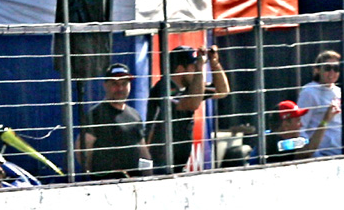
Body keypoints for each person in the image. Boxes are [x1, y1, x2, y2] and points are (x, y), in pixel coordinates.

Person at [146, 45, 230, 174]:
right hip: (159, 165)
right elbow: (191, 103)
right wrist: (199, 68)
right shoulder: (164, 88)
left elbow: (222, 91)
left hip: (178, 165)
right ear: (180, 69)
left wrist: (214, 63)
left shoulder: (191, 88)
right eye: (193, 67)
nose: (199, 71)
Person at [77, 63, 150, 180]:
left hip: (133, 181)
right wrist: (93, 176)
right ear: (105, 85)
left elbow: (143, 149)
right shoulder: (96, 114)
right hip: (106, 182)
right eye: (115, 84)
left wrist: (148, 175)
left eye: (124, 83)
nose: (120, 88)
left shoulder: (135, 115)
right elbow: (82, 149)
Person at [296, 51, 344, 157]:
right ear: (317, 70)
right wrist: (311, 153)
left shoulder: (339, 91)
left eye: (336, 68)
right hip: (323, 154)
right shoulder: (309, 92)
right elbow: (301, 126)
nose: (332, 72)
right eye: (328, 68)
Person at [267, 99, 340, 163]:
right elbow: (308, 151)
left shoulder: (275, 137)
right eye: (298, 121)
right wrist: (325, 121)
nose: (301, 125)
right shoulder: (276, 142)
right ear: (285, 125)